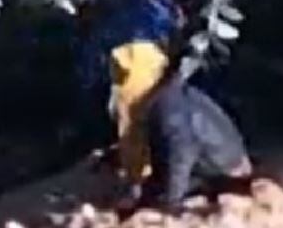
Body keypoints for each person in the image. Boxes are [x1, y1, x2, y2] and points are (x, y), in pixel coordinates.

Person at [108, 38, 253, 213]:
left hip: (225, 174)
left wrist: (171, 203)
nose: (119, 85)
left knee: (154, 202)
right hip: (214, 162)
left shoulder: (170, 110)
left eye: (124, 77)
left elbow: (181, 158)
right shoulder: (166, 95)